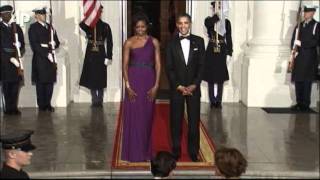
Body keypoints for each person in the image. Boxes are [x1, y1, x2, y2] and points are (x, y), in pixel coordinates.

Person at [121, 12, 161, 162]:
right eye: (137, 27)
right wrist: (128, 86)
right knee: (134, 116)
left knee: (147, 116)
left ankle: (146, 151)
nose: (140, 29)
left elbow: (158, 64)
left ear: (147, 27)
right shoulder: (129, 43)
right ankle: (132, 153)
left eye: (143, 26)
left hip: (149, 80)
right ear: (134, 27)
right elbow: (124, 66)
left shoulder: (154, 42)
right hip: (134, 80)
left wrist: (157, 84)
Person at [165, 13, 205, 162]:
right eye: (180, 23)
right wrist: (178, 86)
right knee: (176, 121)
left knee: (194, 122)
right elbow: (169, 68)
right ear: (177, 25)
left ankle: (193, 151)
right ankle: (176, 150)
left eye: (186, 23)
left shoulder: (199, 42)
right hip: (177, 89)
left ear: (190, 24)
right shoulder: (170, 43)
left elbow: (202, 66)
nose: (183, 26)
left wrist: (195, 84)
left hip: (194, 88)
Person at [79, 6, 113, 108]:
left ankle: (100, 99)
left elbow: (110, 42)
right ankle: (94, 99)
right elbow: (81, 25)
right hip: (90, 53)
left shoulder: (106, 26)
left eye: (99, 11)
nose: (98, 13)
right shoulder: (89, 25)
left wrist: (109, 56)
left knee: (101, 76)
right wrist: (89, 15)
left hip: (101, 53)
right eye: (96, 12)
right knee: (91, 76)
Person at [28, 7, 60, 112]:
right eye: (41, 14)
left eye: (44, 14)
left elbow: (57, 41)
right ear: (36, 16)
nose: (44, 16)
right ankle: (42, 105)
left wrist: (54, 43)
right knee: (41, 83)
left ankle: (48, 104)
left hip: (51, 58)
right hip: (40, 58)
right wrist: (46, 54)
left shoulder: (50, 27)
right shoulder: (33, 28)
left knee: (50, 82)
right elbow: (35, 45)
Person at [203, 1, 233, 109]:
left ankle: (218, 100)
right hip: (211, 48)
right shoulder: (209, 19)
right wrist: (217, 16)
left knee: (220, 76)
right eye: (216, 6)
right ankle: (212, 100)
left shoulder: (226, 22)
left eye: (220, 6)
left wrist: (230, 52)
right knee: (210, 76)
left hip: (221, 49)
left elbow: (229, 38)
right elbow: (209, 24)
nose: (218, 8)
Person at [290, 5, 319, 111]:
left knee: (307, 82)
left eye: (307, 12)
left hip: (309, 59)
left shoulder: (316, 25)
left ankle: (305, 104)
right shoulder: (299, 25)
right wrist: (293, 51)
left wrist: (302, 43)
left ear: (312, 13)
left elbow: (316, 41)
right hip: (299, 57)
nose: (304, 14)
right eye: (304, 12)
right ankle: (299, 102)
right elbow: (293, 40)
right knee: (298, 81)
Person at [0, 5, 25, 115]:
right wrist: (8, 58)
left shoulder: (17, 28)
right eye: (5, 14)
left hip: (16, 60)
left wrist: (20, 46)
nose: (8, 16)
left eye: (9, 13)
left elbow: (22, 44)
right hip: (4, 62)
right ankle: (8, 108)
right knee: (7, 86)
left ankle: (14, 107)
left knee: (16, 85)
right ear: (1, 15)